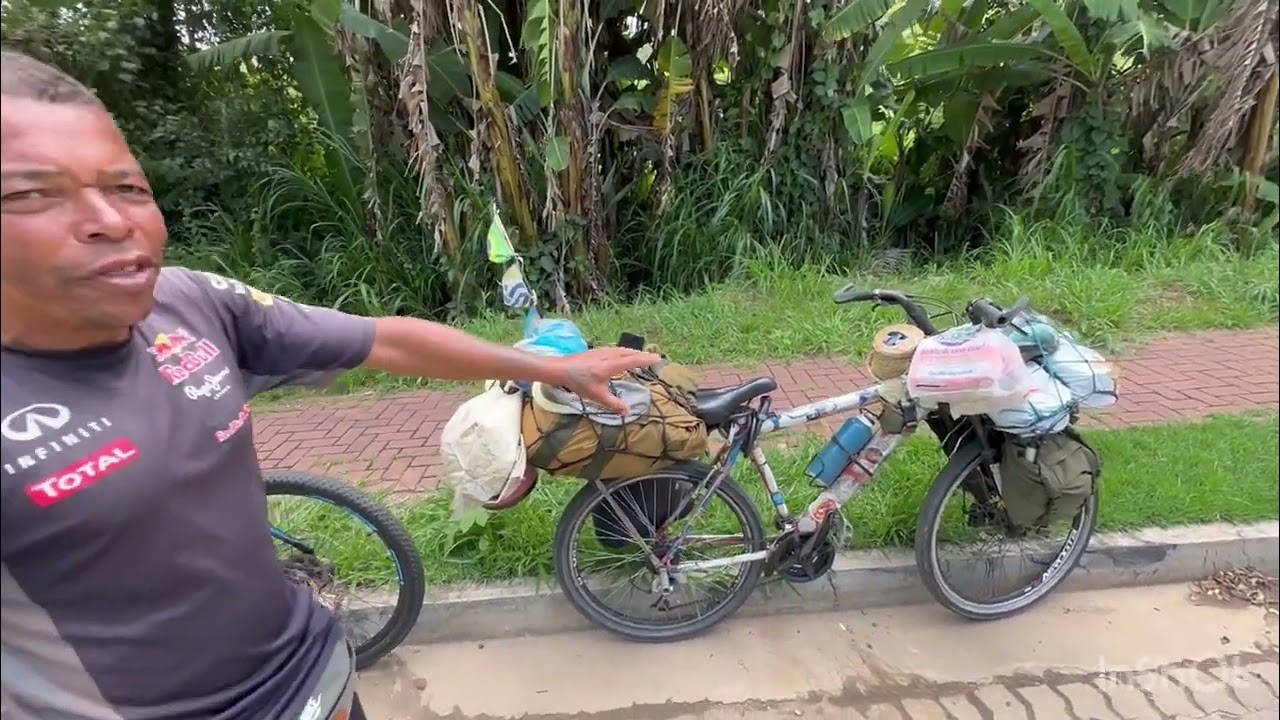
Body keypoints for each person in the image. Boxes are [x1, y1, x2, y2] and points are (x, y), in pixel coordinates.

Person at [0, 48, 660, 720]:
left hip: (314, 681)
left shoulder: (194, 304)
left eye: (128, 188)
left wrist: (554, 368)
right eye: (30, 194)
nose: (110, 222)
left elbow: (386, 339)